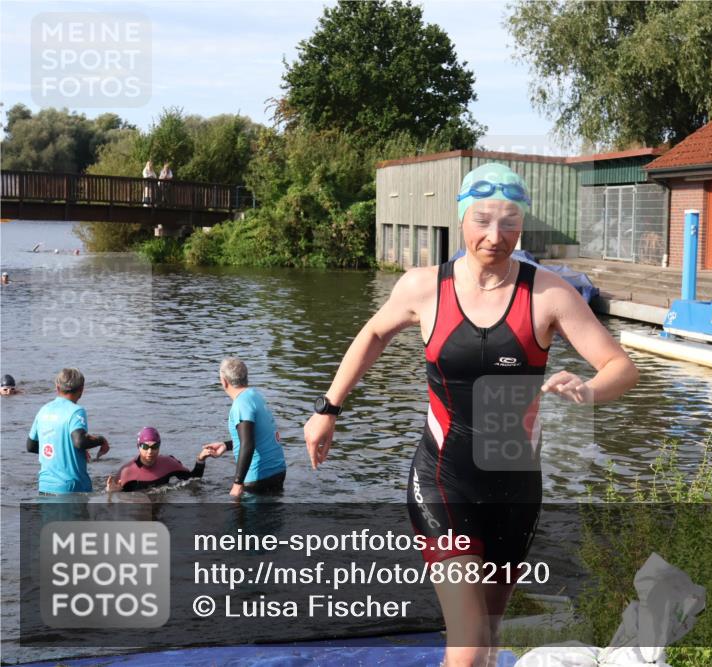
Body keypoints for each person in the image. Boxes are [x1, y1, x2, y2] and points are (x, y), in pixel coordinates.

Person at [303, 163, 639, 667]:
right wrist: (328, 408)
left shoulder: (547, 293)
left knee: (486, 644)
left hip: (515, 489)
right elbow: (372, 334)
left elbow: (621, 367)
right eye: (482, 220)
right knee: (466, 648)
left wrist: (590, 390)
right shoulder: (423, 288)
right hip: (445, 479)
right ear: (461, 219)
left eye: (509, 222)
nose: (495, 235)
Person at [203, 357, 286, 497]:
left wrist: (237, 483)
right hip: (278, 471)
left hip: (258, 478)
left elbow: (248, 444)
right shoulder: (255, 396)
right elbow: (257, 435)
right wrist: (226, 445)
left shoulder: (241, 405)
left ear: (224, 381)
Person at [26, 368, 110, 494]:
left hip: (45, 486)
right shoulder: (76, 411)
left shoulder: (43, 410)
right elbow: (79, 442)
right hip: (72, 488)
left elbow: (31, 446)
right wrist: (101, 440)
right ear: (81, 390)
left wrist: (65, 451)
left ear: (57, 387)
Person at [106, 427, 222, 492]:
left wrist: (200, 459)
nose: (150, 452)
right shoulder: (127, 472)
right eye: (145, 447)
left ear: (159, 446)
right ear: (138, 447)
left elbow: (193, 479)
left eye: (154, 446)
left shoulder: (168, 463)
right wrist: (112, 493)